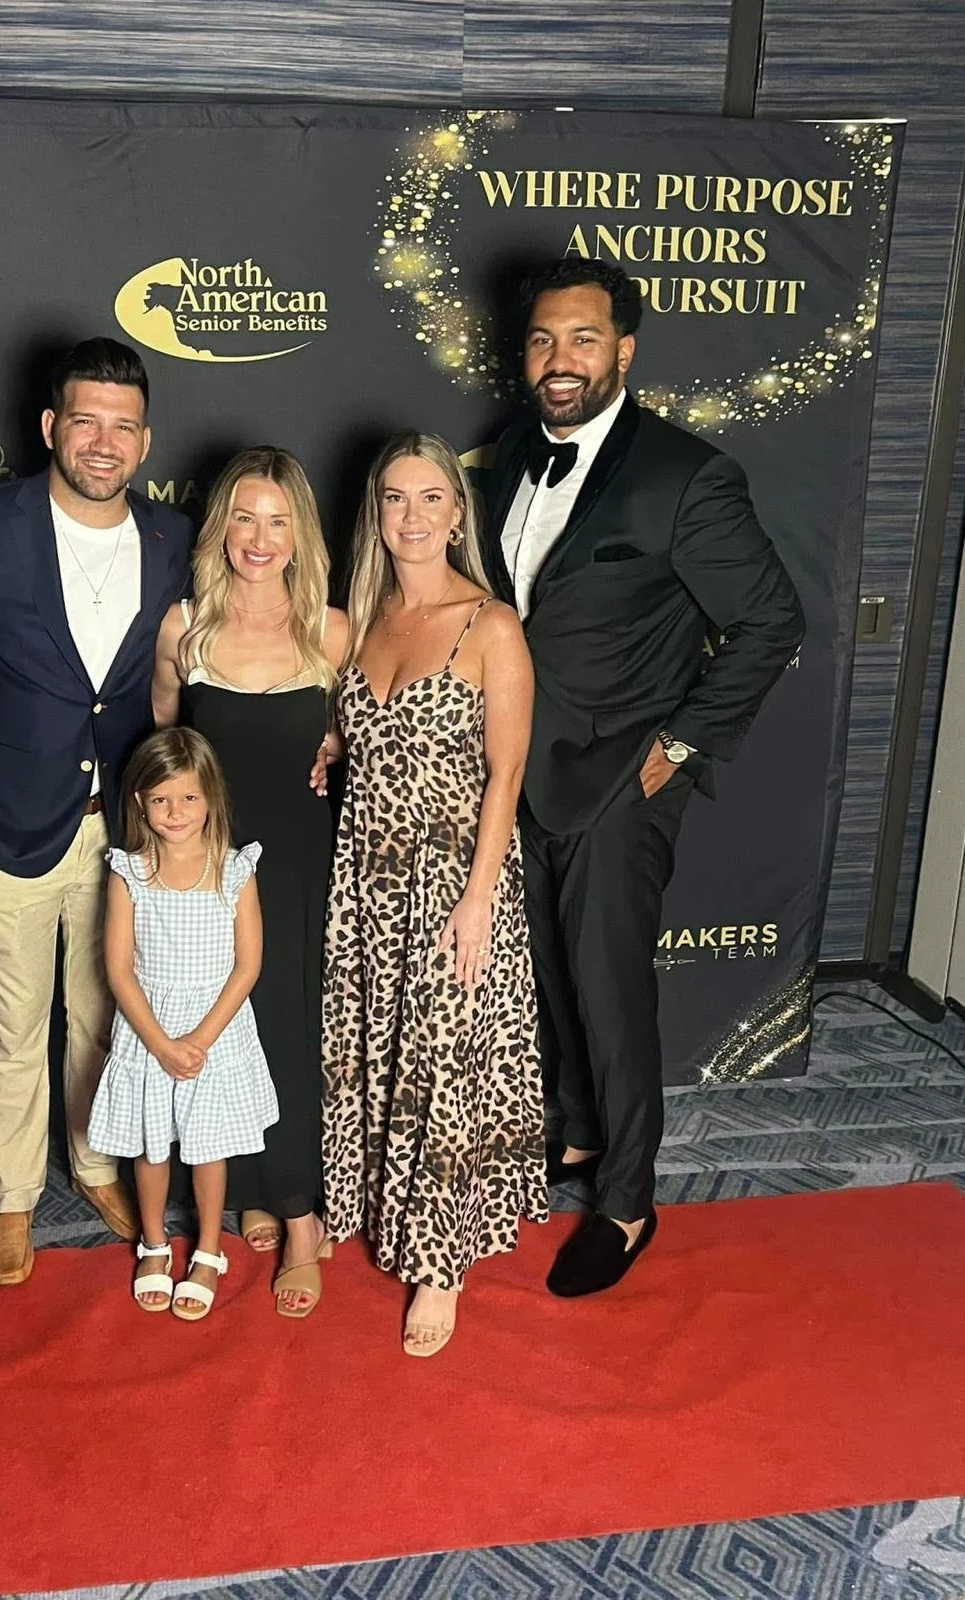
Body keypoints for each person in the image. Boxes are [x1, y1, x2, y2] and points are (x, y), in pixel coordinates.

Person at [481, 258, 805, 1298]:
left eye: (582, 339)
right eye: (542, 339)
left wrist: (680, 748)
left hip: (623, 780)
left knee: (610, 993)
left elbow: (771, 621)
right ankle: (575, 1133)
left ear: (623, 351)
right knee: (542, 977)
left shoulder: (685, 475)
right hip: (517, 773)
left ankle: (626, 1202)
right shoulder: (506, 458)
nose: (559, 359)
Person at [0, 338, 192, 1287]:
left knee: (103, 1016)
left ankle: (95, 1166)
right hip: (1, 825)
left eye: (123, 426)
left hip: (126, 829)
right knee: (14, 1029)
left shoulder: (173, 539)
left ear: (145, 441)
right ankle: (14, 1197)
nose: (104, 442)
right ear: (52, 426)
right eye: (86, 421)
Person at [322, 432, 547, 1358]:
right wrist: (331, 742)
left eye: (429, 498)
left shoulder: (489, 625)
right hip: (364, 874)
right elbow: (357, 728)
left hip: (453, 876)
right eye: (394, 498)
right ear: (375, 512)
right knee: (378, 1046)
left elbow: (507, 772)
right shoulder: (361, 618)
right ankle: (372, 1204)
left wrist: (479, 898)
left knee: (445, 1063)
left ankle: (441, 1266)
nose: (410, 517)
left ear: (458, 513)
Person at [152, 447, 348, 1318]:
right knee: (229, 1028)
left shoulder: (333, 632)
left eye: (278, 521)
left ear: (301, 534)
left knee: (290, 1028)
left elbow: (365, 733)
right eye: (244, 517)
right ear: (220, 527)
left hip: (302, 861)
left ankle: (302, 1219)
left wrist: (336, 746)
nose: (259, 539)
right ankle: (257, 1185)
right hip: (213, 866)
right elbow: (164, 742)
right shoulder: (183, 627)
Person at [87, 728, 277, 1319]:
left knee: (208, 1146)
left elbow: (248, 966)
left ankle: (209, 1251)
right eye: (161, 799)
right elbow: (119, 970)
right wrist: (161, 1044)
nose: (176, 811)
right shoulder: (129, 872)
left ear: (210, 799)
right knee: (151, 1146)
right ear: (140, 802)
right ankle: (153, 1243)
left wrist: (198, 1040)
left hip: (215, 1030)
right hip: (149, 1030)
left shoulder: (235, 869)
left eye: (189, 797)